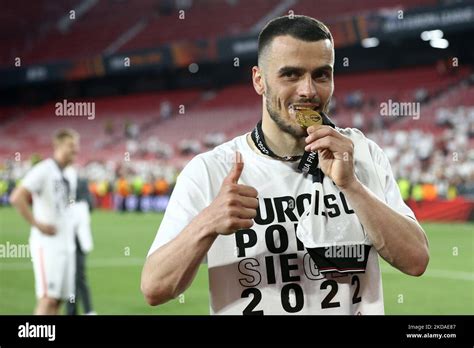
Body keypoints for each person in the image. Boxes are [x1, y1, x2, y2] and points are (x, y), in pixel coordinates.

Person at [141, 15, 429, 315]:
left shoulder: (361, 153)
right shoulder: (211, 171)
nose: (308, 91)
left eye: (321, 75)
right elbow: (155, 288)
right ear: (259, 80)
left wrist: (351, 186)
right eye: (291, 75)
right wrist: (207, 223)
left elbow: (416, 260)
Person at [10, 129, 79, 315]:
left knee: (58, 300)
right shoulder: (43, 170)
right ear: (58, 146)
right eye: (71, 145)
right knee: (48, 299)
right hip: (47, 245)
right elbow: (17, 197)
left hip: (66, 244)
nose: (76, 150)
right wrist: (38, 224)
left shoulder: (70, 174)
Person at [66, 177, 96, 315]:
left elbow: (90, 205)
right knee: (75, 278)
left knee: (77, 277)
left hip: (76, 241)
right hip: (70, 241)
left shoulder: (80, 183)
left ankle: (85, 310)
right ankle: (84, 310)